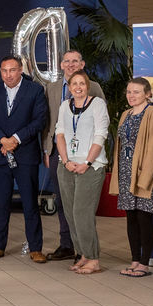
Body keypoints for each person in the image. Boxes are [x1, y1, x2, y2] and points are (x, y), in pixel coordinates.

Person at [0, 55, 48, 262]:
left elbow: (39, 120)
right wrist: (3, 140)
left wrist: (15, 140)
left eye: (12, 70)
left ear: (21, 70)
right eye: (4, 70)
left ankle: (36, 248)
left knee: (30, 203)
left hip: (25, 155)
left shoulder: (35, 90)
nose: (8, 74)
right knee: (1, 204)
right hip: (0, 155)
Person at [43, 50, 105, 262]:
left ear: (82, 64)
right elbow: (52, 125)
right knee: (64, 203)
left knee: (82, 209)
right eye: (67, 61)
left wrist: (88, 160)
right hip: (60, 155)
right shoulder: (53, 90)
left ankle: (88, 253)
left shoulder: (95, 92)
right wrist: (51, 152)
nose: (70, 65)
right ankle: (69, 246)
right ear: (61, 65)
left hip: (88, 158)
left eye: (75, 61)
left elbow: (100, 128)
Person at [54, 71, 110, 274]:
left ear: (88, 86)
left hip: (90, 166)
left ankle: (93, 258)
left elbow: (100, 134)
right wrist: (66, 160)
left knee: (82, 213)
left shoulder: (97, 104)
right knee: (70, 213)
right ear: (69, 88)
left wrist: (87, 161)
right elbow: (59, 133)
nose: (78, 87)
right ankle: (83, 254)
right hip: (67, 165)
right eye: (74, 84)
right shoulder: (64, 106)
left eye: (82, 83)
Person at [110, 77, 153, 278]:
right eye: (129, 92)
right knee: (131, 218)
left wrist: (145, 180)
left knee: (144, 218)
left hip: (144, 176)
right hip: (125, 173)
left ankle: (144, 263)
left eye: (137, 92)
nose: (131, 96)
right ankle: (134, 260)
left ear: (148, 94)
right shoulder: (125, 114)